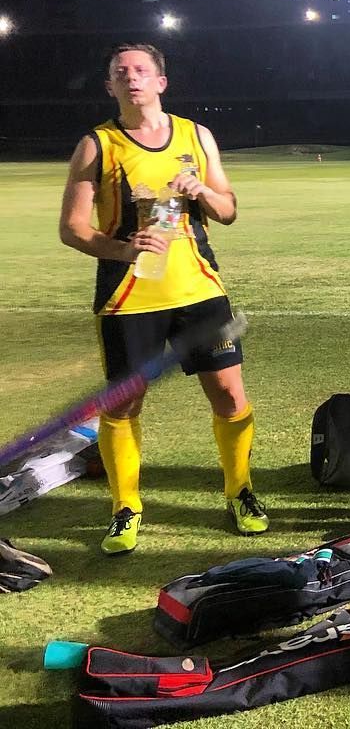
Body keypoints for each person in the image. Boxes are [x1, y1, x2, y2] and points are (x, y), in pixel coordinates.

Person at [59, 43, 267, 555]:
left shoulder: (196, 136)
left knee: (229, 396)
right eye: (119, 73)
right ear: (109, 85)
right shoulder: (97, 145)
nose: (131, 78)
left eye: (141, 71)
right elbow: (72, 228)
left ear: (161, 81)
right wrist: (122, 249)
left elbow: (228, 211)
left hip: (198, 289)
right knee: (125, 404)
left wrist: (200, 189)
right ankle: (125, 506)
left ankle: (240, 491)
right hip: (129, 297)